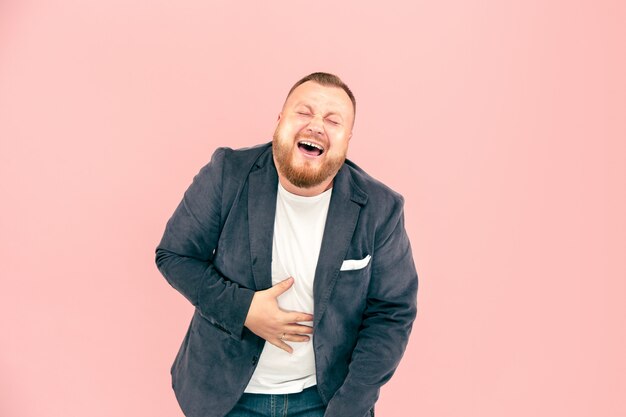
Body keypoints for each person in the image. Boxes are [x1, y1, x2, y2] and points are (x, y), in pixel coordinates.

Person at [155, 72, 418, 417]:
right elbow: (174, 255)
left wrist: (348, 408)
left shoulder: (380, 209)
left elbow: (392, 311)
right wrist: (244, 309)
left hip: (324, 402)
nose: (316, 125)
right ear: (279, 121)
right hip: (226, 398)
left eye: (333, 120)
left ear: (348, 139)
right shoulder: (226, 174)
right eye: (304, 112)